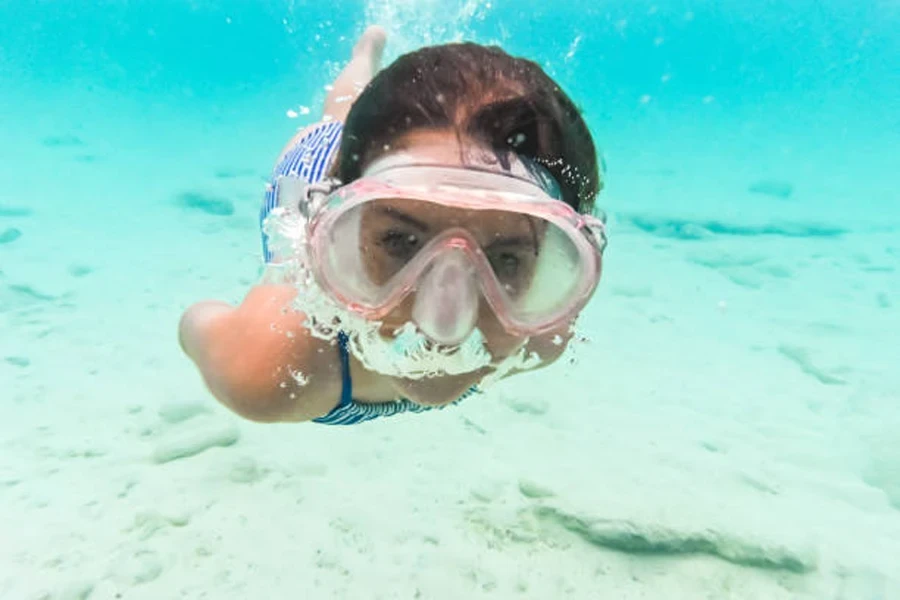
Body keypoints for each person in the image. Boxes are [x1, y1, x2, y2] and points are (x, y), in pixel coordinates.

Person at [179, 25, 607, 425]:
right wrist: (271, 291)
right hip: (314, 168)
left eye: (506, 259)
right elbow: (193, 322)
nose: (442, 330)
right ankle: (364, 54)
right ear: (331, 232)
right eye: (400, 241)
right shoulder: (265, 371)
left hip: (373, 164)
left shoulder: (543, 333)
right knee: (338, 119)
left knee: (357, 118)